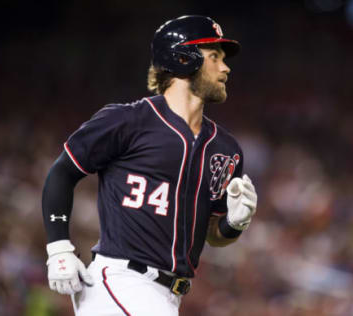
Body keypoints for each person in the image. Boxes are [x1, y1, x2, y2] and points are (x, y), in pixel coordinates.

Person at [41, 15, 258, 316]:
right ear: (183, 58)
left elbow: (211, 234)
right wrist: (58, 248)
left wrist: (234, 224)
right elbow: (62, 173)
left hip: (168, 296)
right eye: (214, 57)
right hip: (119, 281)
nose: (225, 67)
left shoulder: (225, 149)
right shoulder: (128, 120)